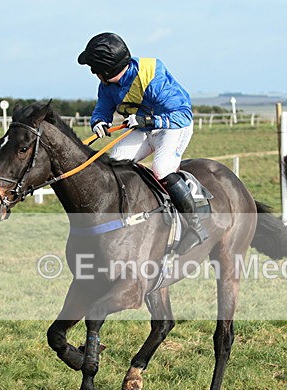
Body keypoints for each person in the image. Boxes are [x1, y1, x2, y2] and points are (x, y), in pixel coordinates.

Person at [77, 32, 207, 254]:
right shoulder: (108, 84)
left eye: (94, 68)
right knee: (113, 164)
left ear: (106, 69)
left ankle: (196, 227)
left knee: (162, 168)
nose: (93, 73)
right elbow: (103, 107)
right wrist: (98, 121)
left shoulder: (151, 75)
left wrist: (147, 119)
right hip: (144, 129)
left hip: (172, 127)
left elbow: (183, 115)